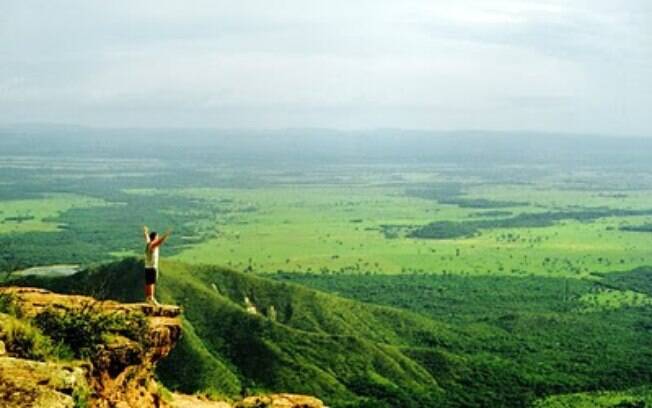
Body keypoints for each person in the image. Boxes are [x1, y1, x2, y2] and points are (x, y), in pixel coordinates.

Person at [143, 226, 171, 305]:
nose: (158, 238)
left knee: (148, 283)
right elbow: (159, 242)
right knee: (152, 283)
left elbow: (146, 237)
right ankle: (151, 297)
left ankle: (148, 298)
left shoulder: (149, 243)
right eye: (157, 237)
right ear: (154, 238)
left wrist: (145, 232)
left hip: (147, 266)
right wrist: (166, 235)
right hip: (152, 267)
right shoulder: (152, 245)